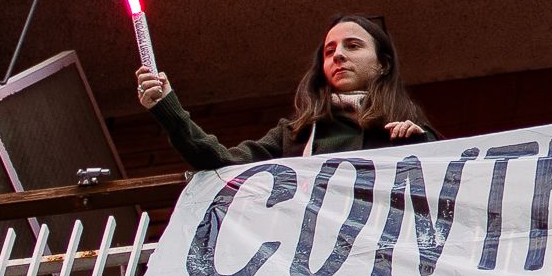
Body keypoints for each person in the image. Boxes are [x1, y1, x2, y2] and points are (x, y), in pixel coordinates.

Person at [138, 13, 432, 166]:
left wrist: (422, 143)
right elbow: (222, 160)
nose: (338, 55)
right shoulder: (292, 134)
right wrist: (168, 106)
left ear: (383, 64)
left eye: (352, 46)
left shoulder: (407, 127)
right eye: (329, 51)